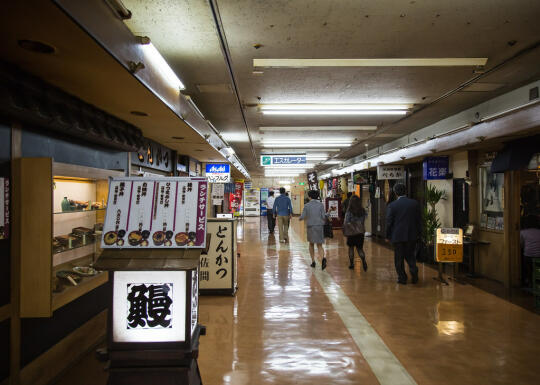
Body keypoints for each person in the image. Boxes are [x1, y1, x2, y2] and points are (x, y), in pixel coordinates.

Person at [385, 183, 421, 284]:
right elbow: (419, 220)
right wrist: (419, 233)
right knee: (410, 256)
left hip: (398, 236)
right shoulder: (414, 204)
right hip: (412, 235)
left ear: (396, 193)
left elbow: (389, 222)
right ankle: (414, 272)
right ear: (405, 191)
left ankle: (402, 278)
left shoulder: (392, 205)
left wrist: (388, 236)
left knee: (399, 258)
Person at [299, 190, 328, 269]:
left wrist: (299, 218)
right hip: (319, 226)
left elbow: (302, 216)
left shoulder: (307, 205)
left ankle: (313, 262)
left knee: (311, 244)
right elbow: (323, 216)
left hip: (311, 227)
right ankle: (323, 259)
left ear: (310, 197)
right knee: (319, 245)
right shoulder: (321, 205)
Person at [344, 195, 367, 271]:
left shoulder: (349, 211)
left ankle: (351, 264)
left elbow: (346, 222)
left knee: (351, 248)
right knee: (360, 249)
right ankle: (363, 259)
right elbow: (363, 221)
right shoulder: (363, 211)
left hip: (351, 233)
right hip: (360, 233)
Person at [520, 215, 540, 287]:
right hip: (539, 256)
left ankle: (528, 281)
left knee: (525, 264)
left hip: (528, 256)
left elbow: (521, 245)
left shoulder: (523, 232)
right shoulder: (539, 232)